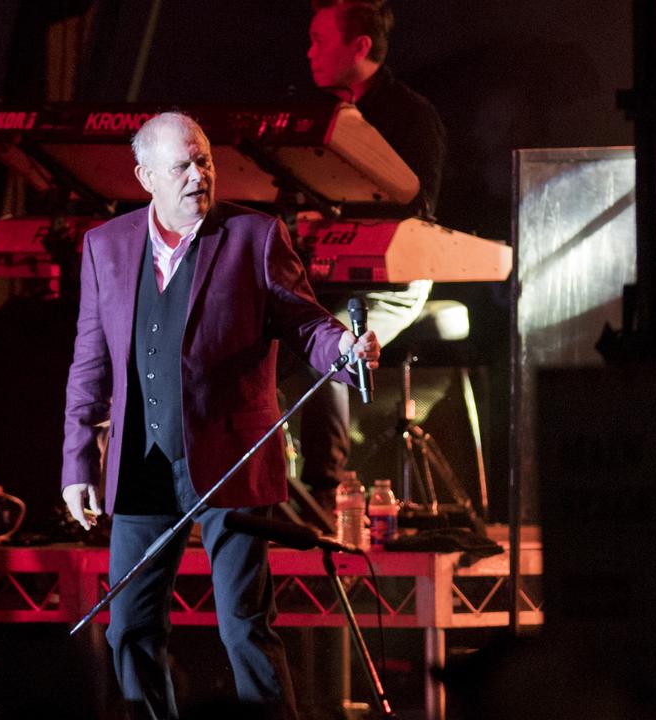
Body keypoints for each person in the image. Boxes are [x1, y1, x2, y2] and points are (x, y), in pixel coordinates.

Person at [60, 112, 380, 720]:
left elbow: (306, 323)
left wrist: (342, 349)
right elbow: (89, 359)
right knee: (129, 626)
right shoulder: (106, 246)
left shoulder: (254, 237)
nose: (197, 175)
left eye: (204, 161)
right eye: (181, 165)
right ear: (146, 175)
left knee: (243, 626)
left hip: (230, 455)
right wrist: (78, 461)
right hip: (144, 460)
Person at [290, 0, 447, 510]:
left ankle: (323, 492)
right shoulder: (316, 114)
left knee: (334, 346)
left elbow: (416, 213)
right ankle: (257, 493)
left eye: (320, 39)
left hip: (393, 282)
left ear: (359, 47)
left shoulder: (412, 115)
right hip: (325, 277)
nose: (309, 50)